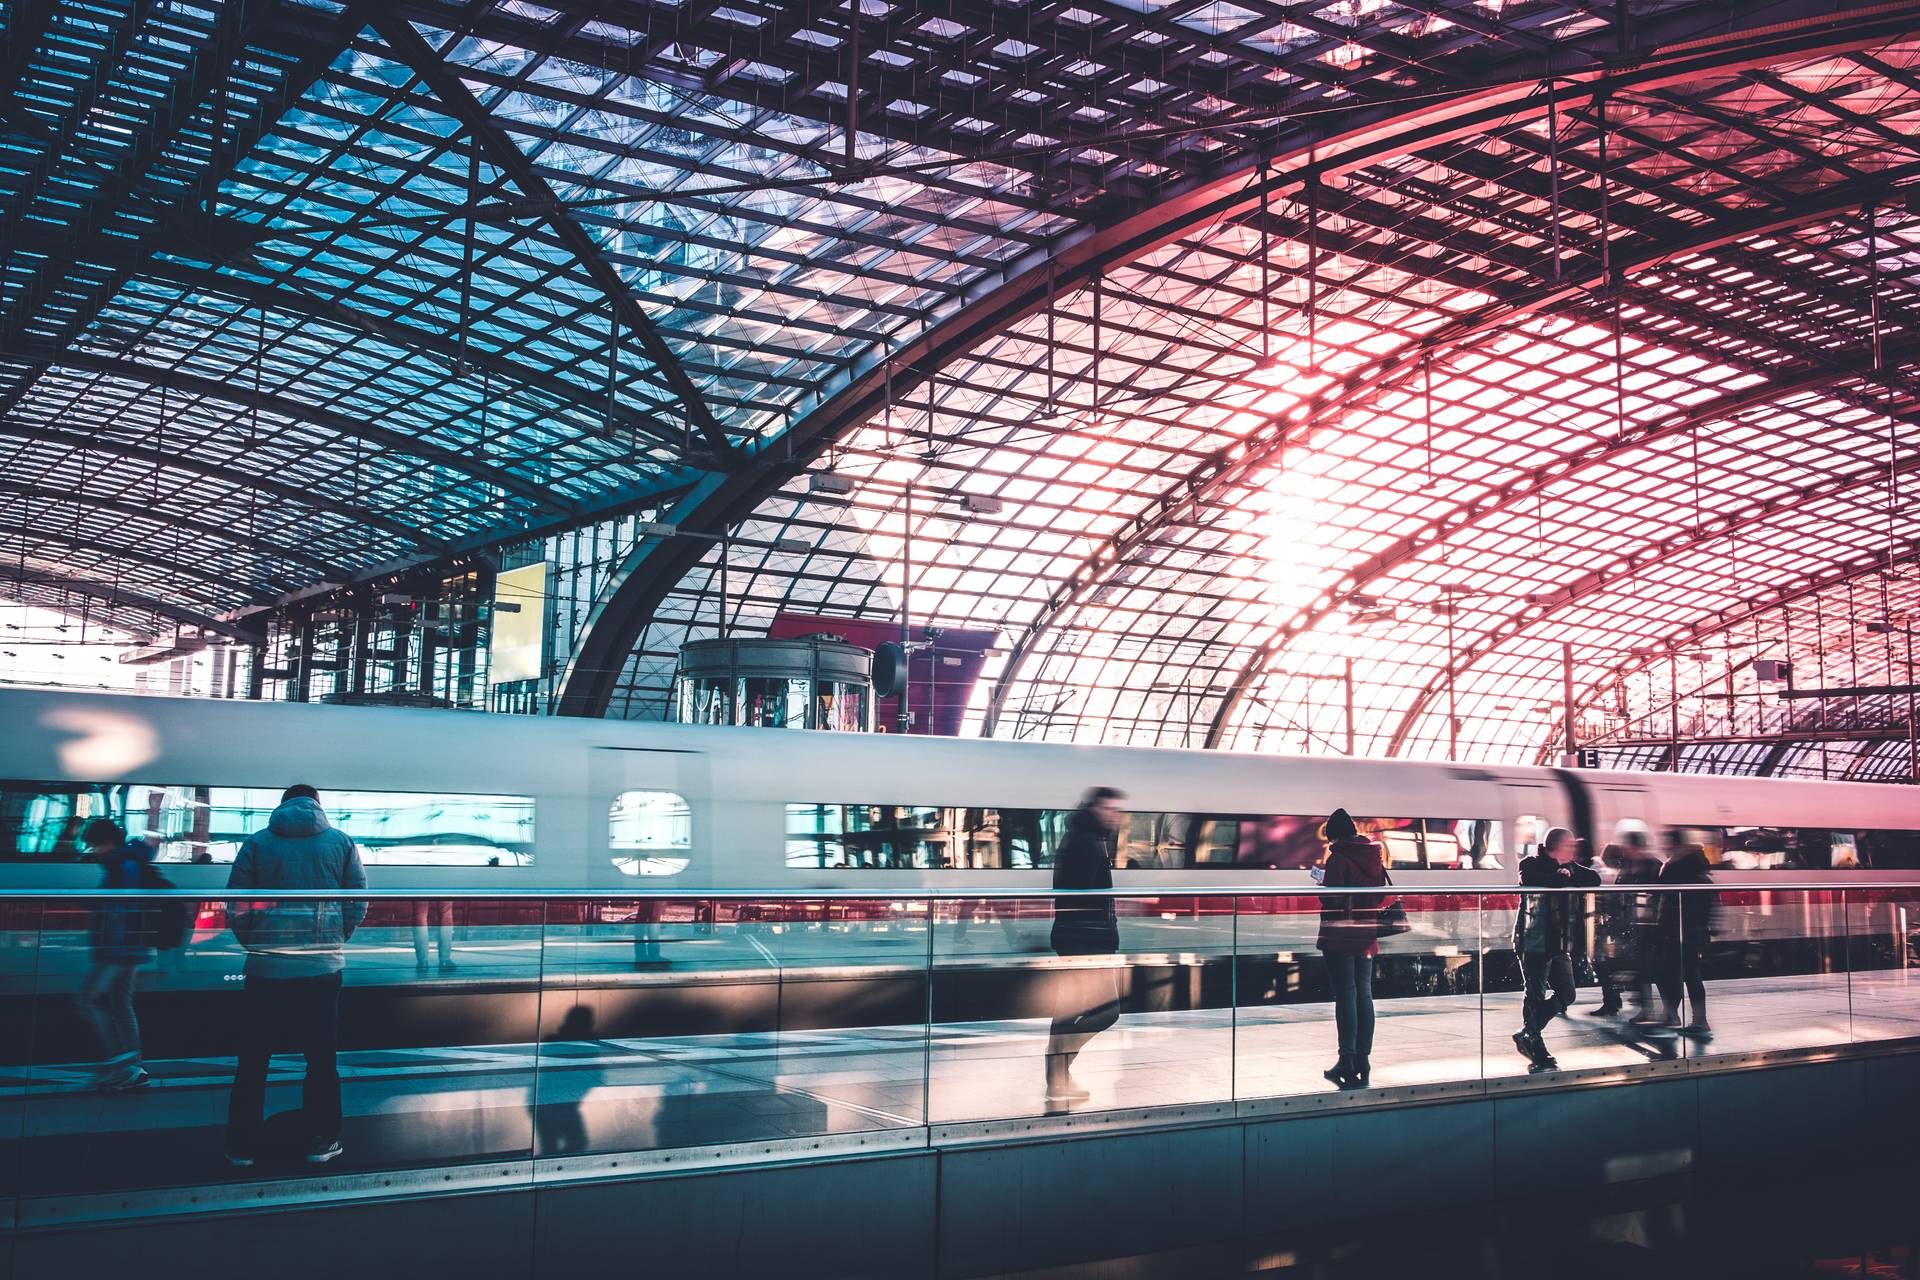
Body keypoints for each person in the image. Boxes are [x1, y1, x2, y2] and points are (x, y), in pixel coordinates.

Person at [224, 784, 366, 1167]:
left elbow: (235, 904)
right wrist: (336, 939)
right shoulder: (342, 842)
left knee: (253, 1059)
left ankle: (241, 1145)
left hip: (266, 967)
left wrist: (254, 943)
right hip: (321, 968)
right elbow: (357, 900)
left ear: (282, 805)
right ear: (318, 806)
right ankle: (321, 1140)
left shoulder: (257, 842)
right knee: (321, 1057)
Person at [1044, 786, 1127, 1108]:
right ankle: (1058, 1069)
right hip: (1087, 940)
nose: (1114, 815)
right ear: (1093, 808)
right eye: (1108, 809)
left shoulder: (1086, 838)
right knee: (1107, 1012)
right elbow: (1077, 896)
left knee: (1066, 1011)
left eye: (1116, 810)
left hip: (1078, 937)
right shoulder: (1086, 842)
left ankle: (1057, 1080)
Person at [77, 818, 156, 1091]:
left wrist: (110, 950)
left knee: (88, 1000)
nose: (93, 852)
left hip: (119, 948)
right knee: (121, 1004)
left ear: (108, 842)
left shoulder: (122, 866)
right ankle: (131, 1068)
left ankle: (119, 1063)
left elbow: (121, 910)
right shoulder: (127, 862)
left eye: (94, 845)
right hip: (128, 946)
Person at [1512, 827, 1600, 1072]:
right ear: (1557, 846)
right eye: (1569, 845)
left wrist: (1566, 873)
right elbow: (1535, 881)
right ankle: (1535, 1044)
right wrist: (1561, 876)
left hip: (1558, 942)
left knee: (1567, 994)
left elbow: (1594, 879)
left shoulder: (1570, 867)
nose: (1574, 850)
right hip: (1533, 939)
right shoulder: (1529, 864)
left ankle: (1529, 1032)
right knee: (1535, 992)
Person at [1315, 808, 1390, 1089]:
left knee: (1345, 996)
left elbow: (1332, 900)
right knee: (1364, 994)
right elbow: (1381, 894)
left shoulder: (1339, 858)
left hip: (1341, 936)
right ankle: (1363, 1058)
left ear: (1334, 835)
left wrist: (1322, 882)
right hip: (1366, 933)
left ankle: (1346, 1058)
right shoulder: (1373, 854)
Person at [1586, 834, 1662, 1019]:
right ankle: (1644, 1006)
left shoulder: (1653, 866)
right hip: (1629, 925)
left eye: (1628, 847)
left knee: (1645, 968)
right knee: (1636, 966)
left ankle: (1653, 1010)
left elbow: (1657, 895)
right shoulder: (1630, 867)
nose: (1625, 851)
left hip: (1647, 926)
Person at [1654, 840, 1715, 1041]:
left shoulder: (1677, 871)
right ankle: (1696, 1020)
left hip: (1677, 933)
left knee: (1673, 975)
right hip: (1695, 934)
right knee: (1690, 975)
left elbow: (1663, 894)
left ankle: (1673, 1016)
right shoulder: (1703, 877)